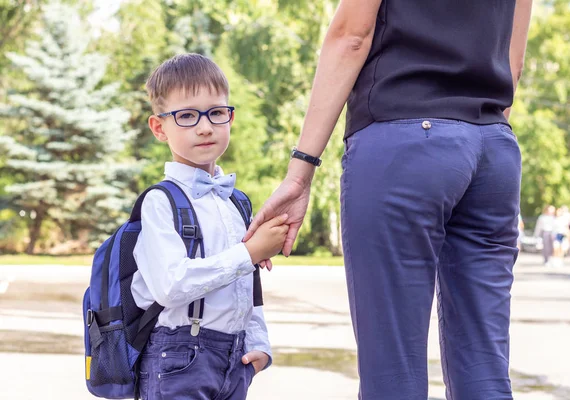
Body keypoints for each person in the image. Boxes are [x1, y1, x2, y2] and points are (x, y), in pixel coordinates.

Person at [245, 0, 534, 398]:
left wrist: (301, 170)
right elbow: (512, 64)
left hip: (404, 137)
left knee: (392, 371)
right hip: (493, 149)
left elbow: (351, 36)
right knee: (484, 364)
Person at [131, 53, 288, 400]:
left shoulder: (236, 203)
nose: (205, 126)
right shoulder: (161, 202)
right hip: (178, 359)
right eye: (187, 116)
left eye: (217, 112)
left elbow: (248, 284)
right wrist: (248, 253)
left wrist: (259, 345)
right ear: (159, 127)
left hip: (235, 359)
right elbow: (171, 286)